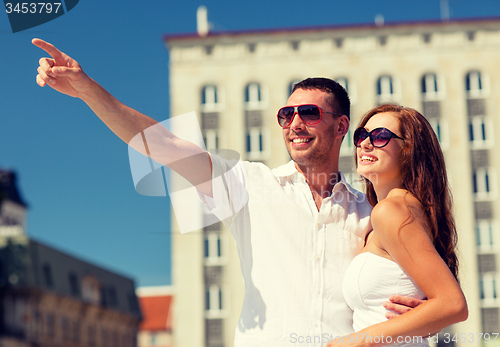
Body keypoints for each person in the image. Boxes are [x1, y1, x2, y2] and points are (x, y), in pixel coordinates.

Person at [33, 38, 423, 346]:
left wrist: (418, 308)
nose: (294, 123)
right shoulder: (250, 185)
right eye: (286, 115)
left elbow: (418, 286)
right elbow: (161, 144)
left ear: (341, 127)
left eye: (309, 113)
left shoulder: (370, 211)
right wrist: (88, 91)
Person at [326, 105, 468, 347]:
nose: (365, 144)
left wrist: (352, 343)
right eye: (361, 135)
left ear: (409, 150)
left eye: (380, 136)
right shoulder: (398, 209)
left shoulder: (391, 211)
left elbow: (453, 304)